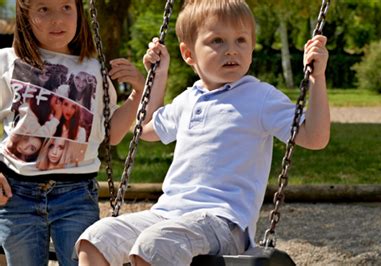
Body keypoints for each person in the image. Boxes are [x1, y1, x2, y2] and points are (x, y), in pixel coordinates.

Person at [76, 0, 330, 265]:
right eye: (217, 41)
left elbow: (315, 137)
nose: (231, 50)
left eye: (241, 40)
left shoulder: (260, 97)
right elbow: (145, 129)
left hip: (223, 222)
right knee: (95, 238)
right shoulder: (188, 99)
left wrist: (316, 78)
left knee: (155, 245)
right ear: (189, 54)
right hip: (168, 214)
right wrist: (159, 75)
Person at [0, 0, 147, 265]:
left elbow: (111, 134)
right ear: (25, 15)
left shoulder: (93, 69)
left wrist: (138, 93)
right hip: (17, 193)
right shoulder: (8, 62)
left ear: (80, 12)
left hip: (76, 194)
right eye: (44, 9)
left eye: (66, 7)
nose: (58, 19)